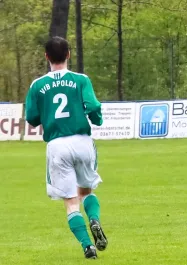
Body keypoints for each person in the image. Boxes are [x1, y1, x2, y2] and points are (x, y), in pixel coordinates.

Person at [24, 36, 107, 259]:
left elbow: (31, 117)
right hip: (82, 141)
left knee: (71, 202)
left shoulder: (38, 85)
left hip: (58, 145)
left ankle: (87, 246)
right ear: (69, 54)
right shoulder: (81, 80)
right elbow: (93, 106)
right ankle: (94, 219)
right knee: (86, 191)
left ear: (46, 57)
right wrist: (97, 119)